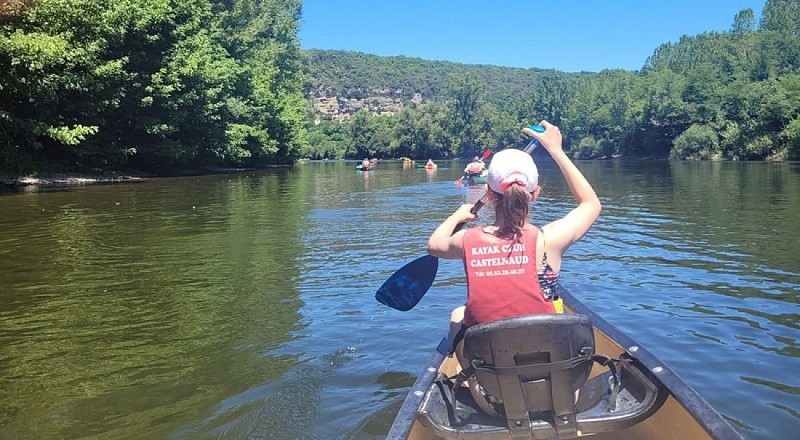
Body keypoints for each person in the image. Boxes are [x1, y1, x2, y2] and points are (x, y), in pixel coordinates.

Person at [426, 120, 601, 415]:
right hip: (560, 399)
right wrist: (556, 151)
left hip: (497, 403)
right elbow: (591, 204)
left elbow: (434, 244)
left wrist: (457, 215)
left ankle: (475, 386)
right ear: (535, 194)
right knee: (559, 316)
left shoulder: (467, 240)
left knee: (458, 316)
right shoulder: (549, 240)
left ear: (490, 195)